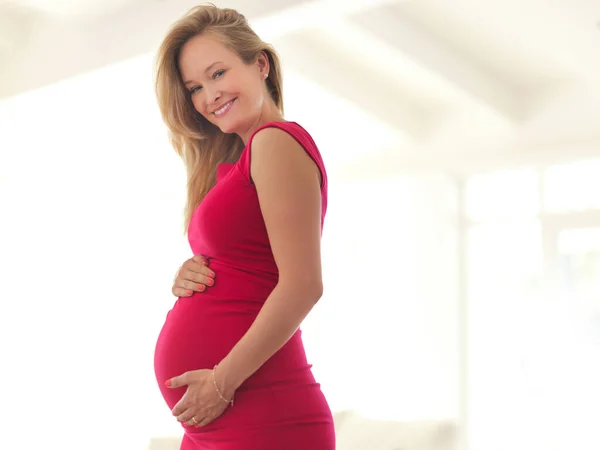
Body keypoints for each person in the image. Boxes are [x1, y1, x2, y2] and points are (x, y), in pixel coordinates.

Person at [152, 4, 335, 450]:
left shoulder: (275, 141)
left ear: (260, 64)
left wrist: (220, 384)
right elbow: (251, 265)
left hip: (261, 415)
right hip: (217, 420)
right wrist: (194, 272)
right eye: (195, 87)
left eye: (217, 74)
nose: (207, 96)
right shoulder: (236, 166)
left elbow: (303, 285)